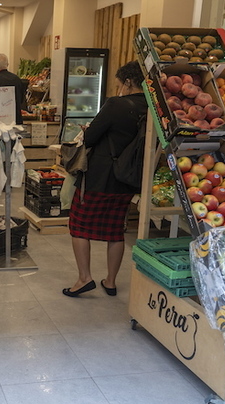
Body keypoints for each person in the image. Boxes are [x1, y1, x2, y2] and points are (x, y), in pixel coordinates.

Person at [62, 60, 148, 298]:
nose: (119, 88)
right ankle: (110, 281)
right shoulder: (152, 107)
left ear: (128, 82)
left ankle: (84, 278)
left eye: (120, 84)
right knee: (115, 231)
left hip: (100, 177)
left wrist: (87, 129)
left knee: (79, 226)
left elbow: (91, 138)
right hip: (128, 178)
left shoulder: (115, 104)